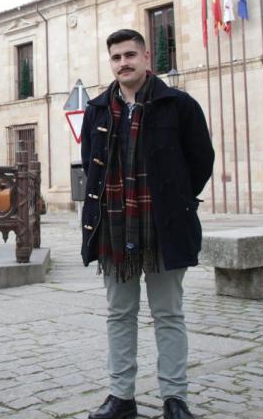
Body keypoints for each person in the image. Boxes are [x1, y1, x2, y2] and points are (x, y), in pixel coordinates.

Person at [80, 29, 213, 419]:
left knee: (168, 314)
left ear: (146, 58)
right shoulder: (97, 109)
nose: (123, 63)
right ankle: (121, 397)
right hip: (115, 225)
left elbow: (201, 160)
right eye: (116, 57)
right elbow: (91, 163)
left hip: (164, 226)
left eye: (130, 55)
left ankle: (175, 398)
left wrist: (177, 200)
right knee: (120, 314)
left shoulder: (180, 105)